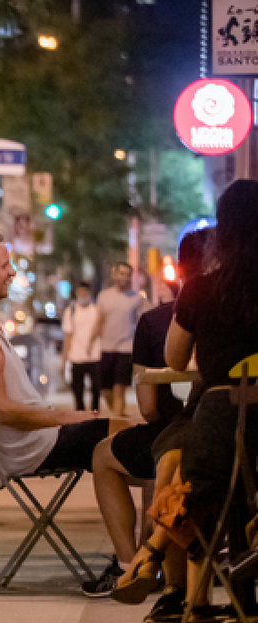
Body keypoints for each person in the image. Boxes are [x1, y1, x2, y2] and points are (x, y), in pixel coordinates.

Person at [120, 180, 258, 623]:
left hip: (221, 414)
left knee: (199, 492)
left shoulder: (200, 289)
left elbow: (175, 360)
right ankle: (239, 603)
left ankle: (187, 601)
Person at [0, 233, 129, 529]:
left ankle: (132, 561)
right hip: (35, 447)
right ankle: (142, 561)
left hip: (36, 441)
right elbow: (2, 410)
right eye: (4, 266)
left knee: (137, 446)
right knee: (139, 443)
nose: (12, 273)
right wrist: (68, 418)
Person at [82, 230, 208, 598]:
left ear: (179, 270)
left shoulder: (157, 321)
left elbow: (149, 406)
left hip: (181, 435)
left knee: (109, 455)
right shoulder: (241, 310)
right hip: (235, 434)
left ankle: (134, 562)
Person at [93, 262, 150, 417]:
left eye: (127, 274)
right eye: (121, 274)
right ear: (115, 274)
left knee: (119, 388)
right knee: (106, 391)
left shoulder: (137, 299)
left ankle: (117, 424)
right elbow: (99, 320)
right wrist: (92, 341)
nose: (124, 278)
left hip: (126, 348)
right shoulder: (103, 297)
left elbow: (144, 320)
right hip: (107, 348)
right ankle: (119, 415)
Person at [61, 283, 101, 412]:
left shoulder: (96, 310)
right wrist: (64, 361)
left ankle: (95, 416)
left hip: (95, 356)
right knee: (78, 391)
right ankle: (81, 417)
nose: (83, 295)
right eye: (80, 292)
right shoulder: (70, 311)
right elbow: (67, 336)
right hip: (76, 357)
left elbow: (101, 330)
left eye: (85, 292)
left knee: (96, 391)